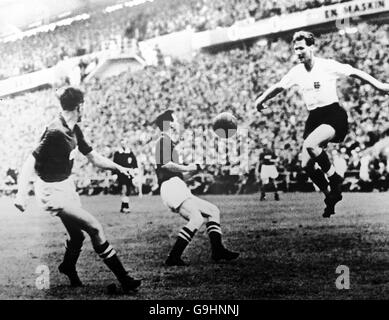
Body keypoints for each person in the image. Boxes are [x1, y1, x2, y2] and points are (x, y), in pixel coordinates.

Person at [14, 87, 141, 293]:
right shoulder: (55, 131)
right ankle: (124, 279)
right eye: (84, 105)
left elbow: (93, 157)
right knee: (94, 227)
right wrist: (21, 194)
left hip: (65, 185)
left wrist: (119, 167)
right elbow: (30, 162)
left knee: (77, 236)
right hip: (51, 190)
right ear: (79, 106)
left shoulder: (74, 129)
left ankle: (67, 267)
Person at [254, 30, 389, 217]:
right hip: (314, 117)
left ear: (311, 46)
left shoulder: (327, 65)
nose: (298, 52)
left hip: (333, 114)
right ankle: (330, 197)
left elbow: (355, 72)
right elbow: (278, 86)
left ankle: (335, 178)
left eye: (301, 48)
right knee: (306, 165)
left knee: (311, 145)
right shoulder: (296, 72)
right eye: (295, 49)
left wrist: (380, 86)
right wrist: (260, 99)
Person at [154, 110, 239, 266]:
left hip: (176, 185)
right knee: (197, 218)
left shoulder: (168, 143)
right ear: (170, 124)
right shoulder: (162, 141)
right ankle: (173, 257)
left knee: (213, 211)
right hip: (171, 187)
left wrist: (197, 169)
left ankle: (218, 250)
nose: (178, 122)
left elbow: (178, 174)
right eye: (176, 119)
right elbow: (167, 165)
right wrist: (187, 168)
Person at [113, 141, 142, 213]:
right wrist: (114, 174)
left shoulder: (130, 153)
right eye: (122, 143)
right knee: (124, 190)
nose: (123, 145)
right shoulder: (117, 153)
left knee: (127, 191)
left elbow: (134, 163)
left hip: (129, 174)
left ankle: (123, 207)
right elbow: (114, 164)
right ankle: (126, 207)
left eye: (124, 143)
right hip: (121, 174)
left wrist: (135, 171)